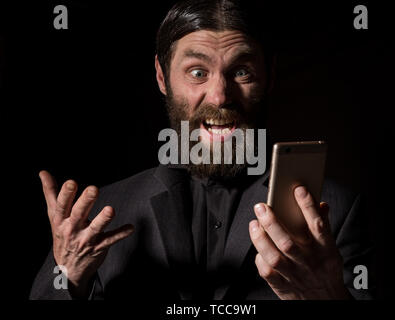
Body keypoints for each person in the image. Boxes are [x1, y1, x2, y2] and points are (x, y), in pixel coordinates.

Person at [30, 0, 374, 300]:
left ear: (269, 78)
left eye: (241, 72)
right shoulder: (101, 215)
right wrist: (68, 277)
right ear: (162, 78)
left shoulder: (335, 212)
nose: (220, 96)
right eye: (197, 72)